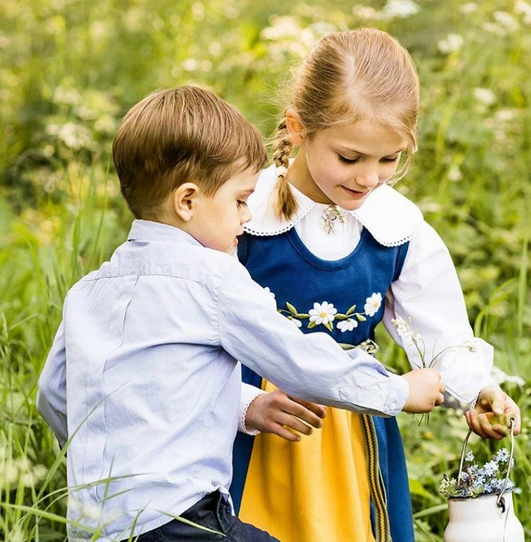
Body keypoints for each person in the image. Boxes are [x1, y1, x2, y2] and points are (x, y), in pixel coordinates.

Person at [35, 85, 447, 542]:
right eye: (238, 200)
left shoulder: (88, 291)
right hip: (183, 519)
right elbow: (301, 362)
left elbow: (54, 393)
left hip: (97, 525)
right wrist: (397, 391)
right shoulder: (214, 280)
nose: (247, 215)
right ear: (188, 201)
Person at [230, 28, 523, 542]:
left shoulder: (395, 227)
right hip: (259, 424)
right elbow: (195, 327)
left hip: (352, 431)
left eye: (389, 160)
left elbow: (441, 332)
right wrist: (238, 404)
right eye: (350, 158)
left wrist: (476, 389)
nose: (369, 178)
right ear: (299, 129)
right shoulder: (244, 213)